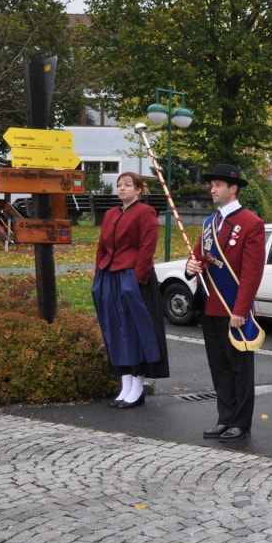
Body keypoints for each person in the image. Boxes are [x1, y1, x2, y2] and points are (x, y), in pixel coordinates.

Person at [185, 164, 265, 441]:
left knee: (239, 369)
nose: (212, 189)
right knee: (219, 366)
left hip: (234, 309)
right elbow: (197, 256)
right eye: (212, 185)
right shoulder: (210, 222)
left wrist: (240, 310)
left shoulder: (252, 223)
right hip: (211, 305)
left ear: (233, 188)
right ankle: (225, 418)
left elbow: (252, 273)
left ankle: (241, 422)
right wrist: (191, 267)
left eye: (217, 184)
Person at [92, 171, 169, 409]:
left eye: (127, 185)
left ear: (138, 189)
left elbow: (147, 247)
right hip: (110, 276)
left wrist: (137, 279)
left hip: (132, 277)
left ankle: (137, 387)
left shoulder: (145, 212)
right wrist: (99, 272)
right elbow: (102, 246)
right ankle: (125, 385)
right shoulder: (111, 214)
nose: (122, 188)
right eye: (119, 185)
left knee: (135, 331)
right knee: (116, 330)